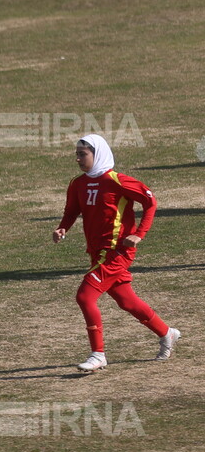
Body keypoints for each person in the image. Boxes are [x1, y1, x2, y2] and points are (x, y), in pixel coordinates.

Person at [53, 134, 180, 372]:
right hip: (96, 252)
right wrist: (62, 228)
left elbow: (150, 202)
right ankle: (167, 333)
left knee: (85, 297)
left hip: (116, 252)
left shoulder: (117, 181)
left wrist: (139, 234)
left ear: (97, 153)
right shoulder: (77, 183)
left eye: (83, 154)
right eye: (77, 155)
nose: (78, 159)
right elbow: (72, 211)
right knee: (126, 300)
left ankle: (98, 354)